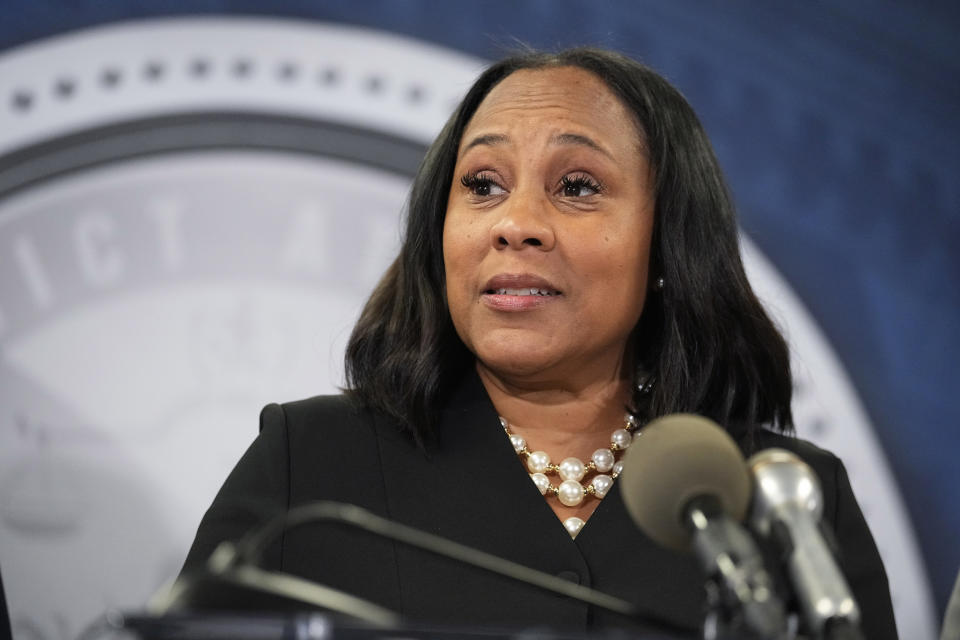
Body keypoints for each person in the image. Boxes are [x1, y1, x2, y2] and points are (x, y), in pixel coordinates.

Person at [182, 48, 897, 638]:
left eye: (578, 185)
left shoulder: (784, 501)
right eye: (483, 185)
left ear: (668, 246)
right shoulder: (311, 465)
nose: (516, 223)